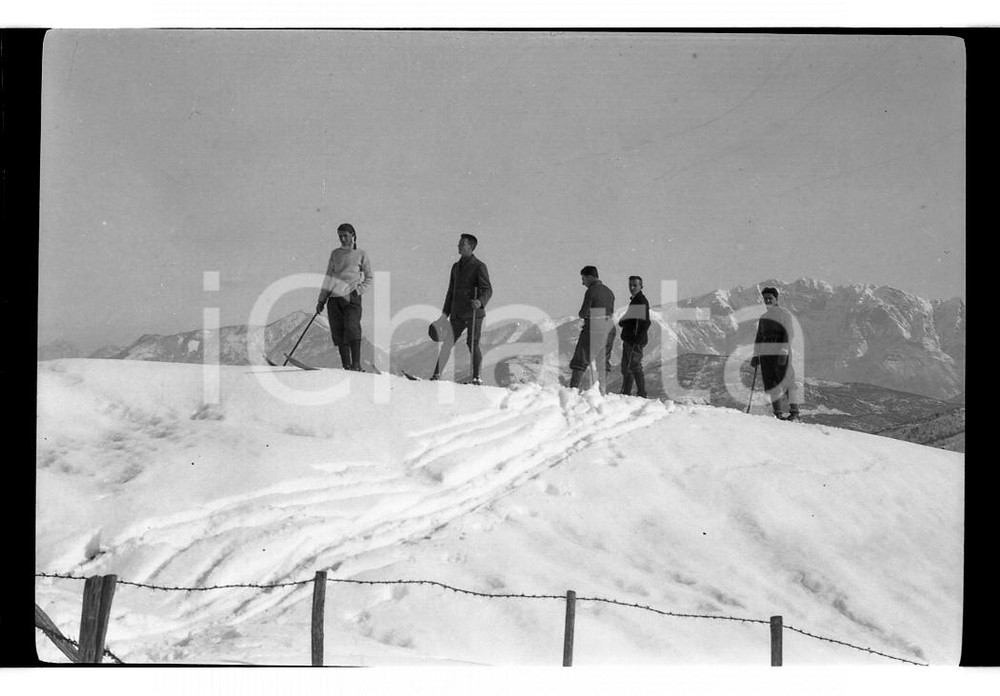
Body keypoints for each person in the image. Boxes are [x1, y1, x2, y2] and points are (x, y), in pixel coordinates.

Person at [431, 233, 493, 384]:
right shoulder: (455, 267)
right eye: (459, 243)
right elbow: (450, 292)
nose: (458, 246)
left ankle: (477, 378)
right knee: (448, 343)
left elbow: (488, 289)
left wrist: (480, 301)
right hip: (457, 313)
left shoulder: (479, 266)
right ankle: (436, 375)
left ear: (470, 247)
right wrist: (444, 314)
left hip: (473, 313)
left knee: (472, 343)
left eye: (461, 244)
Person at [315, 222, 373, 371]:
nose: (342, 239)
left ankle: (356, 364)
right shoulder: (335, 254)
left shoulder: (361, 254)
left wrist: (358, 291)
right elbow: (328, 277)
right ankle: (346, 366)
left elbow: (369, 277)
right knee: (338, 331)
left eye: (345, 236)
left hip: (351, 297)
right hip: (334, 298)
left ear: (353, 235)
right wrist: (321, 300)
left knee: (352, 328)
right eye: (340, 236)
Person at [749, 286, 801, 421]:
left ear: (776, 299)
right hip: (766, 354)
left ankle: (794, 412)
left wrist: (784, 351)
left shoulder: (784, 315)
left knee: (787, 381)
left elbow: (789, 333)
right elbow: (759, 337)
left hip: (780, 352)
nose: (767, 300)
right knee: (771, 382)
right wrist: (756, 355)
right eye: (765, 298)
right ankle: (777, 413)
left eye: (770, 298)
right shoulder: (764, 318)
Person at [569, 266, 616, 390]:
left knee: (580, 359)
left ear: (590, 277)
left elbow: (583, 312)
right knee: (603, 362)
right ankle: (602, 391)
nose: (582, 282)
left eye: (583, 278)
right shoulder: (609, 291)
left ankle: (573, 389)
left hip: (595, 328)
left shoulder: (591, 291)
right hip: (610, 328)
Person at [619, 275, 651, 397]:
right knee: (627, 366)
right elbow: (630, 318)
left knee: (634, 365)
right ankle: (626, 392)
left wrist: (636, 337)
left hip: (634, 340)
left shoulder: (640, 301)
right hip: (630, 338)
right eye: (630, 285)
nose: (632, 288)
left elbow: (644, 322)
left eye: (635, 285)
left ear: (641, 286)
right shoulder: (636, 300)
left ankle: (641, 393)